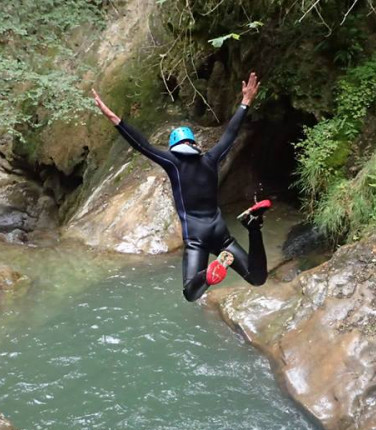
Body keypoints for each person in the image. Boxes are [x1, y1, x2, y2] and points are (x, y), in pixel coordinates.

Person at [92, 72, 270, 302]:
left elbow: (141, 145)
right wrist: (245, 102)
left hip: (197, 238)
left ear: (174, 146)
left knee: (190, 292)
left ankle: (208, 274)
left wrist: (115, 119)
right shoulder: (210, 159)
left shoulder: (173, 163)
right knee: (257, 277)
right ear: (194, 144)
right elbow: (230, 135)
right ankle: (252, 227)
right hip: (221, 235)